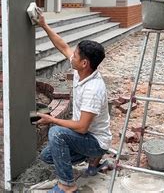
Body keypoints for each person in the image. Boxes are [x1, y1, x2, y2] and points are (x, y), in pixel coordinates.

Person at [35, 11, 111, 193]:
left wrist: (52, 120)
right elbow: (63, 46)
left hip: (94, 140)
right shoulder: (82, 71)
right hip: (87, 137)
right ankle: (94, 162)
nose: (72, 57)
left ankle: (67, 185)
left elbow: (83, 127)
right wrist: (43, 25)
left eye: (75, 55)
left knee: (56, 133)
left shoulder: (93, 89)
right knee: (48, 156)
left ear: (84, 63)